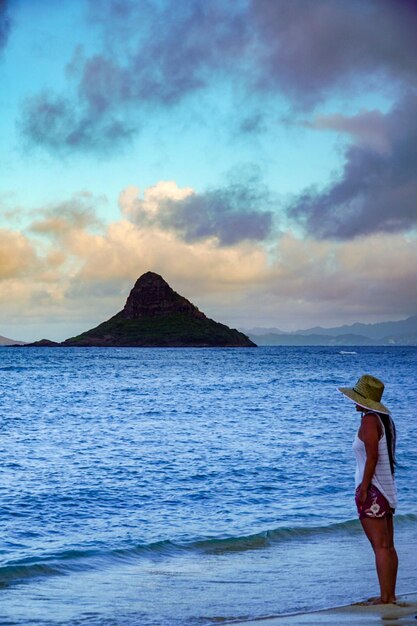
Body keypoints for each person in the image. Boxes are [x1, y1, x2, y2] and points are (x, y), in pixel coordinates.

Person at [338, 374, 398, 604]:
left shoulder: (369, 421)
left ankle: (386, 598)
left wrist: (363, 489)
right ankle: (389, 595)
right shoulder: (383, 420)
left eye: (357, 397)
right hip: (385, 490)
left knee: (380, 547)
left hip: (373, 490)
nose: (353, 401)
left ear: (364, 400)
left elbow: (372, 456)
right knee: (387, 546)